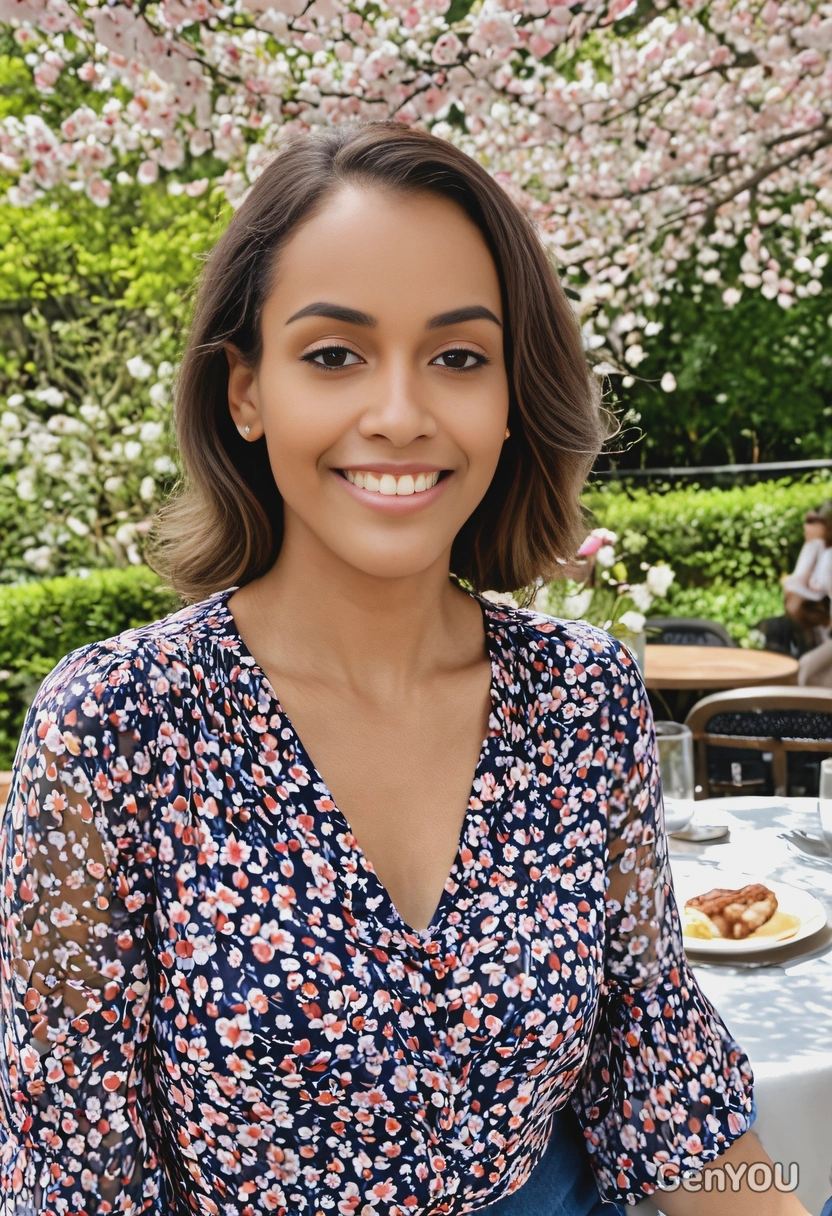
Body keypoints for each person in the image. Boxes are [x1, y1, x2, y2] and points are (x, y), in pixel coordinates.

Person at [0, 123, 807, 1216]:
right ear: (245, 391)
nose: (399, 414)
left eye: (458, 357)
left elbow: (654, 1070)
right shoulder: (113, 727)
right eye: (334, 354)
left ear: (511, 395)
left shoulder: (581, 700)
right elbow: (72, 1176)